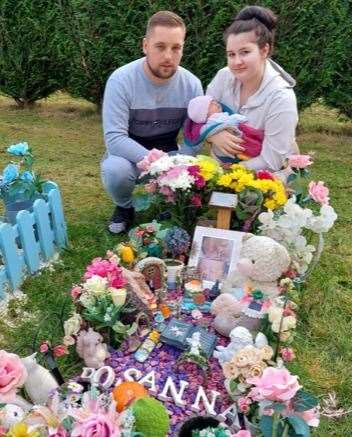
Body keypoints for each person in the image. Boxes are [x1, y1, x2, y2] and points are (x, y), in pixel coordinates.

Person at [101, 11, 203, 234]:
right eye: (160, 46)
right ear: (145, 45)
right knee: (114, 170)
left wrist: (178, 164)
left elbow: (193, 138)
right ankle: (125, 207)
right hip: (129, 154)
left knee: (192, 163)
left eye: (176, 48)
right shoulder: (121, 81)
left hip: (169, 152)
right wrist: (155, 162)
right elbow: (114, 138)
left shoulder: (192, 85)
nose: (168, 56)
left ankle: (170, 203)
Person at [206, 6, 299, 173]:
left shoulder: (281, 97)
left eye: (245, 52)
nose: (236, 62)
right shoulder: (223, 77)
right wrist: (212, 133)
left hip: (263, 182)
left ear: (265, 50)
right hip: (217, 172)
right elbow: (200, 117)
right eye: (231, 54)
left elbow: (272, 160)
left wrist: (228, 172)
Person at [185, 94, 264, 164]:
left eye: (214, 101)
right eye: (211, 104)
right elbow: (206, 131)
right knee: (251, 145)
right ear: (204, 113)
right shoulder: (213, 121)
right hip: (231, 147)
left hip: (234, 143)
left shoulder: (222, 116)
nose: (216, 103)